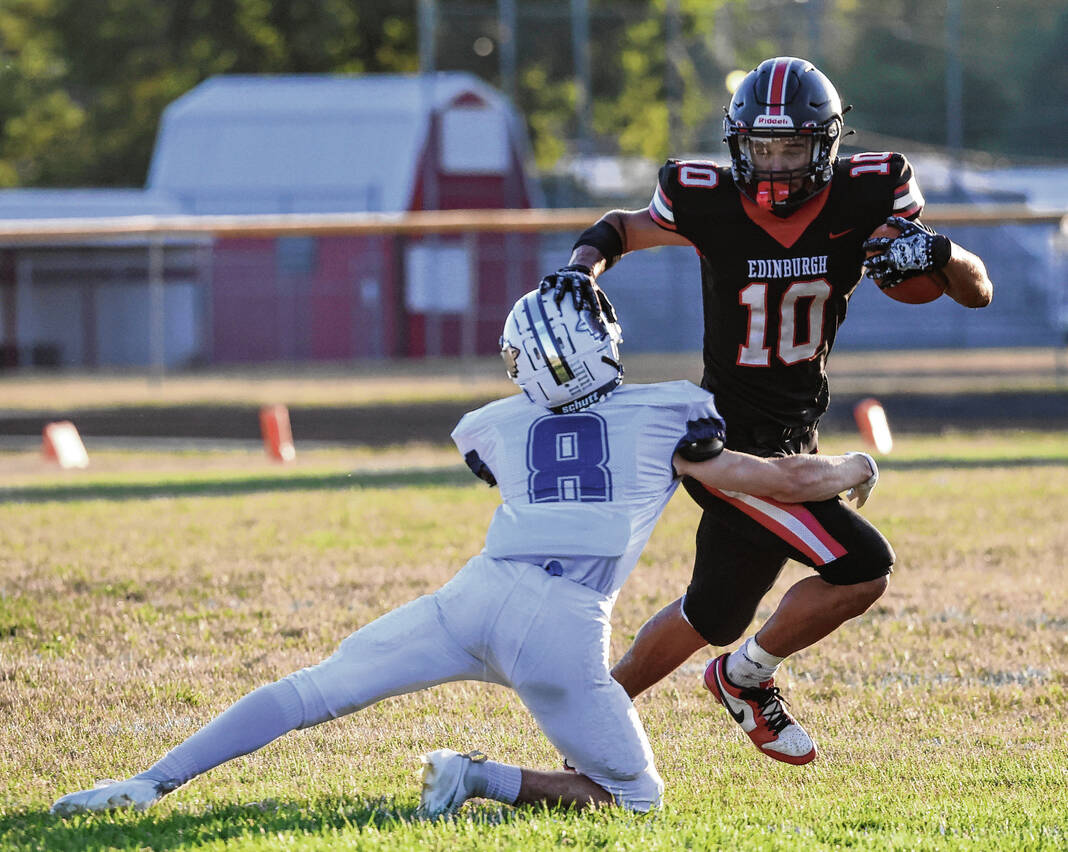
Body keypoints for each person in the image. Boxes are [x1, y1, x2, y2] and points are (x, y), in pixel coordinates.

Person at [52, 287, 880, 819]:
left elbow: (530, 447)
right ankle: (476, 778)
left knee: (312, 691)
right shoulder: (673, 411)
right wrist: (851, 467)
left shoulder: (492, 425)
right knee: (636, 798)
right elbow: (776, 478)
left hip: (474, 597)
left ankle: (149, 782)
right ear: (603, 344)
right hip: (562, 622)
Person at [540, 55, 993, 766]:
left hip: (794, 432)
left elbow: (975, 291)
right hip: (724, 444)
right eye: (762, 148)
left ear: (826, 145)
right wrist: (578, 270)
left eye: (791, 149)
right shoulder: (706, 197)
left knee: (713, 611)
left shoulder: (868, 194)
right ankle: (744, 678)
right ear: (737, 144)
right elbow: (620, 228)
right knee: (863, 568)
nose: (776, 166)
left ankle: (588, 725)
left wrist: (940, 251)